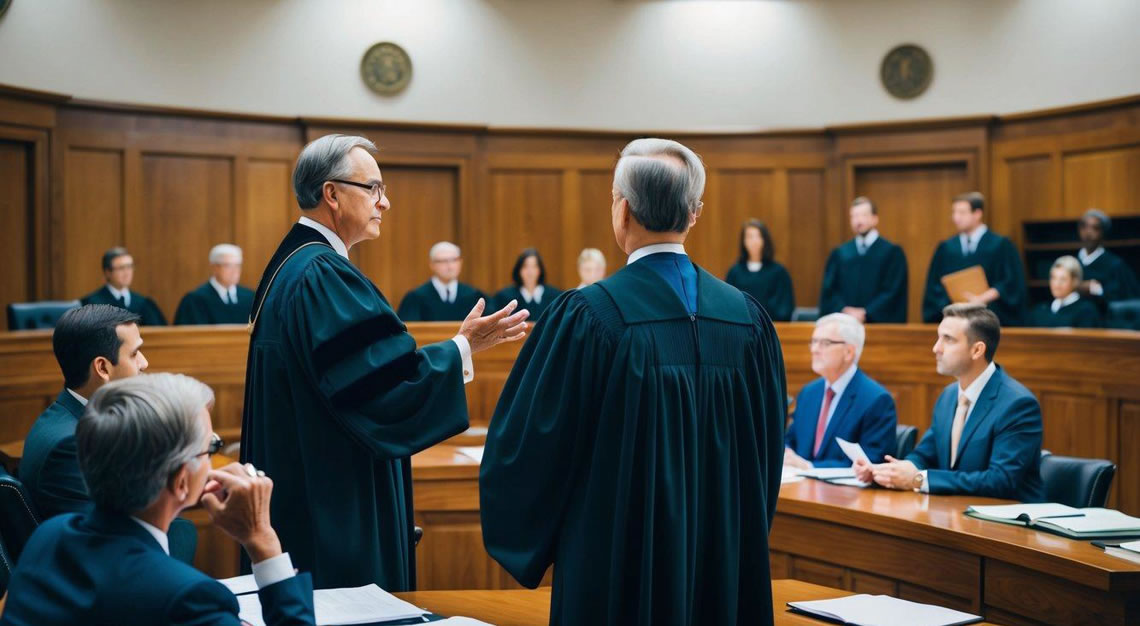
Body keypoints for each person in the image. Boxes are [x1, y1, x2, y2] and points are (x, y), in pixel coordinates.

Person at [480, 138, 787, 626]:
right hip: (723, 563)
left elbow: (530, 450)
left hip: (616, 566)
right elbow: (766, 457)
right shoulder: (748, 321)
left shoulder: (588, 315)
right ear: (695, 214)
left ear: (621, 212)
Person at [241, 134, 529, 590]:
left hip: (308, 482)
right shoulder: (322, 275)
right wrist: (461, 349)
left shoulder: (293, 265)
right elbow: (383, 390)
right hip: (333, 502)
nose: (385, 202)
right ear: (331, 194)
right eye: (373, 188)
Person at [0, 373, 316, 626]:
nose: (212, 460)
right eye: (211, 448)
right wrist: (262, 540)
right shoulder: (189, 599)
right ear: (181, 481)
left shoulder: (46, 538)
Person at [18, 304, 199, 563]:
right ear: (102, 368)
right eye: (135, 353)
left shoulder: (74, 422)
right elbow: (112, 550)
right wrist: (178, 496)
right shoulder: (70, 447)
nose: (144, 363)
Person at [854, 304, 1044, 502]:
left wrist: (918, 480)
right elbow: (925, 455)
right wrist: (890, 473)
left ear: (977, 350)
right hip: (955, 513)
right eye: (938, 337)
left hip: (1008, 523)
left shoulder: (1018, 405)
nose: (936, 348)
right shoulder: (948, 395)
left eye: (948, 340)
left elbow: (1000, 480)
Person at [784, 313, 897, 469]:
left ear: (849, 352)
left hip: (848, 493)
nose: (815, 349)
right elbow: (790, 440)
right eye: (814, 342)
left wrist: (810, 467)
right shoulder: (808, 393)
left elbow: (873, 462)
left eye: (825, 343)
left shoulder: (876, 400)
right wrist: (787, 453)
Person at [921, 192, 1027, 326]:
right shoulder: (946, 248)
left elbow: (1012, 282)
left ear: (977, 214)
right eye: (954, 212)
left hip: (992, 319)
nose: (956, 218)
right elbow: (935, 287)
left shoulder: (1000, 245)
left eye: (962, 212)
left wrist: (983, 298)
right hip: (956, 318)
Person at [819, 197, 908, 323]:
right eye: (854, 216)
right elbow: (829, 290)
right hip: (844, 325)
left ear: (875, 218)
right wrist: (844, 310)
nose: (858, 221)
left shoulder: (891, 252)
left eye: (863, 215)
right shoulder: (840, 253)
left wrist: (867, 313)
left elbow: (893, 292)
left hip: (878, 326)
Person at [724, 219, 795, 321]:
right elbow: (728, 304)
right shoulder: (735, 272)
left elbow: (784, 309)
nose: (754, 241)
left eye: (758, 236)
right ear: (743, 241)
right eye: (750, 237)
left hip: (772, 328)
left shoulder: (778, 272)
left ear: (765, 240)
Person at [396, 241, 486, 322]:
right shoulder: (416, 298)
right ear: (432, 265)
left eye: (454, 260)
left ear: (460, 262)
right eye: (443, 261)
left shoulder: (474, 296)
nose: (450, 266)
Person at [80, 247, 167, 325]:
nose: (127, 273)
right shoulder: (92, 304)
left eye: (129, 267)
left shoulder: (144, 303)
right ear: (107, 272)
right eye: (121, 268)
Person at [173, 244, 254, 325]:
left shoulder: (251, 298)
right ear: (214, 268)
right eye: (228, 266)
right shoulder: (195, 301)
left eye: (237, 265)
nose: (235, 271)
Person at [1076, 209, 1140, 303]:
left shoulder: (1116, 265)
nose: (1088, 232)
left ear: (1103, 233)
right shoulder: (1072, 262)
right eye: (1084, 227)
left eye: (1095, 228)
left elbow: (1126, 298)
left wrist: (1096, 290)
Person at [1027, 256, 1103, 328]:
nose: (1056, 284)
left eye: (1063, 279)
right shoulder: (1040, 310)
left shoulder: (1086, 311)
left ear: (1075, 281)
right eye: (1053, 278)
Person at [493, 248, 562, 319]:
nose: (530, 271)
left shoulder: (555, 297)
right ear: (519, 270)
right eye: (525, 266)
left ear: (540, 270)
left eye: (534, 266)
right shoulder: (504, 297)